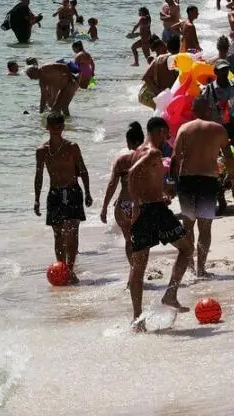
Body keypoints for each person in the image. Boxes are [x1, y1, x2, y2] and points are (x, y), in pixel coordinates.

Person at [128, 117, 192, 331]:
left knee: (138, 265)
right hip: (153, 210)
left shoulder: (138, 150)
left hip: (150, 207)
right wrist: (136, 202)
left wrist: (163, 192)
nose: (168, 138)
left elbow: (143, 177)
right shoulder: (154, 152)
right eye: (167, 134)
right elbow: (132, 173)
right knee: (186, 248)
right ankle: (170, 294)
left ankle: (138, 320)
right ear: (161, 131)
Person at [172, 97, 234, 277]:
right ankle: (201, 268)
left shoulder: (184, 129)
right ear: (209, 110)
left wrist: (173, 183)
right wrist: (230, 176)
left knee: (188, 226)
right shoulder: (218, 129)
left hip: (187, 181)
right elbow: (229, 157)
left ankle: (189, 264)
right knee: (205, 228)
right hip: (208, 180)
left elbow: (176, 159)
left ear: (193, 110)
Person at [34, 112, 93, 284]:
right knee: (58, 234)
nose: (56, 129)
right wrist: (37, 199)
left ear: (63, 127)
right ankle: (61, 268)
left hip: (73, 191)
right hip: (55, 194)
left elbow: (82, 170)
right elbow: (39, 175)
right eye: (53, 126)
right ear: (47, 128)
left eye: (60, 126)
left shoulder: (72, 147)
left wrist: (88, 192)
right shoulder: (42, 151)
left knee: (72, 231)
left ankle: (70, 269)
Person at [100, 122, 144, 266]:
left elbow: (112, 185)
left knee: (128, 239)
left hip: (124, 205)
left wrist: (104, 207)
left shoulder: (122, 160)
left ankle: (133, 271)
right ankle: (139, 272)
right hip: (141, 204)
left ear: (131, 142)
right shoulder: (149, 158)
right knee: (141, 240)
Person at [139, 36, 180, 108]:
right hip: (153, 92)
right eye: (162, 45)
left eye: (164, 44)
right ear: (157, 48)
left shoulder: (162, 58)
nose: (165, 47)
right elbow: (147, 77)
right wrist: (157, 92)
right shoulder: (155, 59)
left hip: (162, 92)